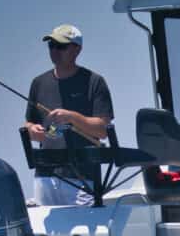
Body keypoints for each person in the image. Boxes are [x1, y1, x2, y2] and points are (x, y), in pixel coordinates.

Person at [24, 24, 114, 206]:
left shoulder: (94, 82)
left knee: (84, 224)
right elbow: (29, 123)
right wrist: (32, 131)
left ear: (77, 49)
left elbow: (103, 129)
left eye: (61, 46)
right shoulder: (38, 83)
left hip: (82, 179)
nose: (54, 51)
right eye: (51, 45)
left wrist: (72, 117)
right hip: (45, 176)